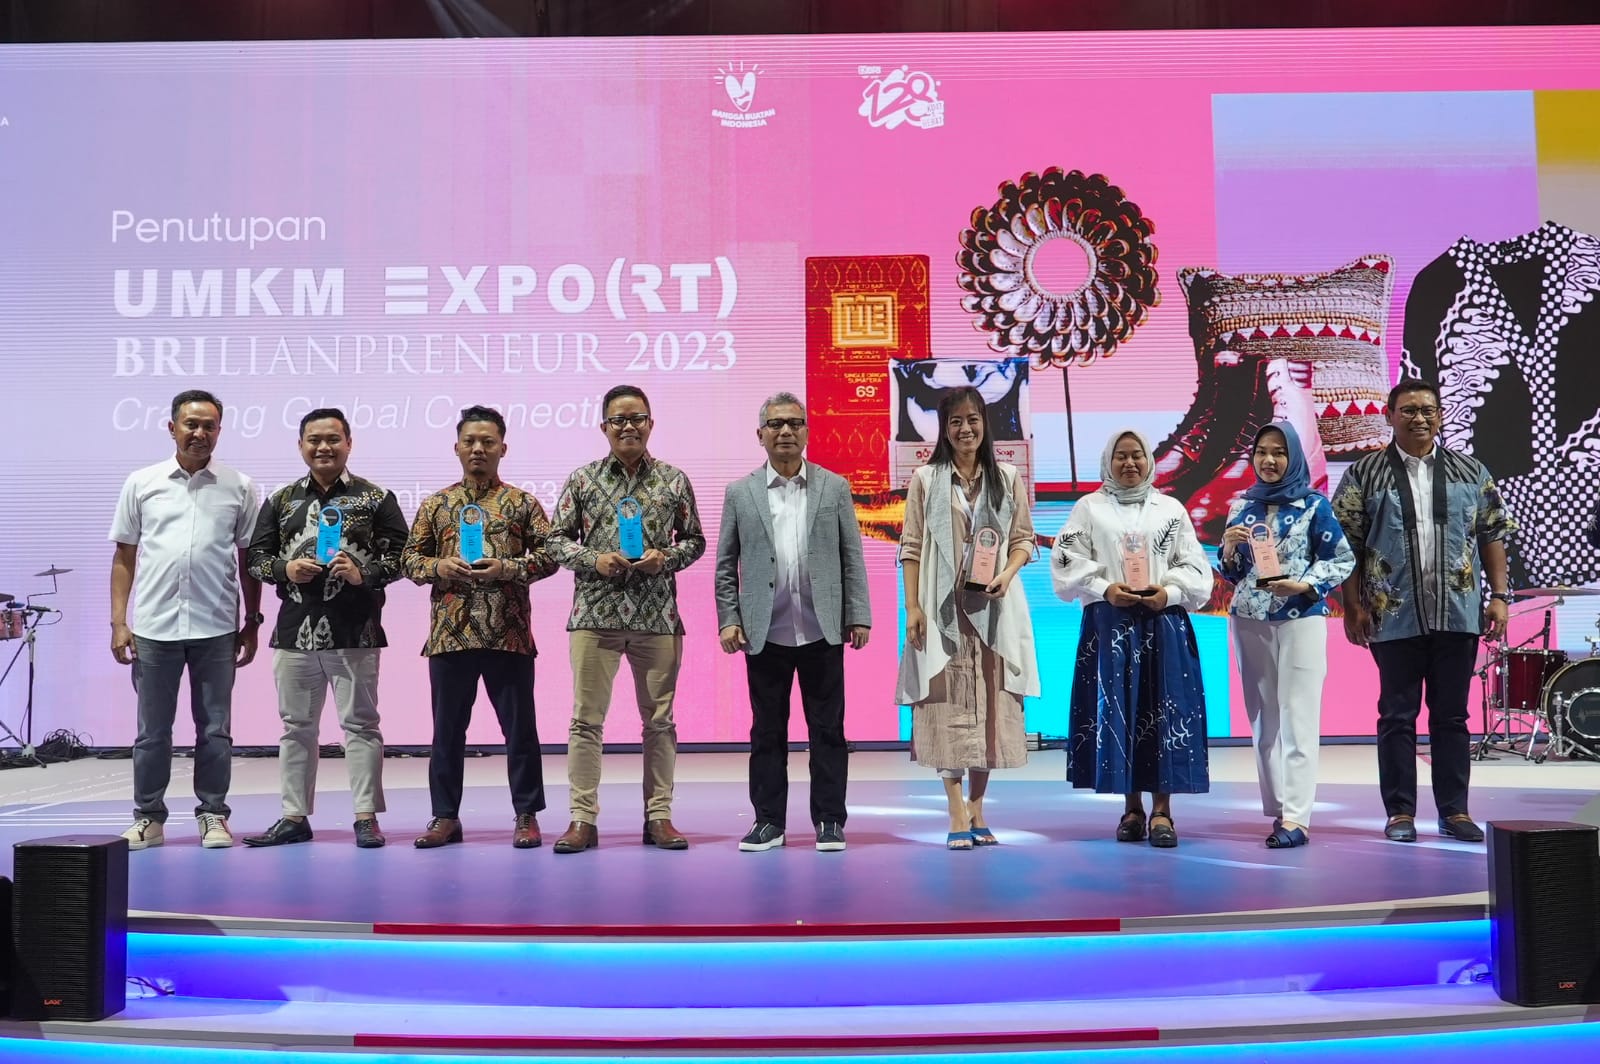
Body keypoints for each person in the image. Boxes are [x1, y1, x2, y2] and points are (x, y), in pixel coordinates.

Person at [1332, 379, 1517, 844]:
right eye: (1409, 410)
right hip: (1391, 614)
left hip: (1458, 613)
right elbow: (1346, 544)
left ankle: (1455, 812)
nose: (1419, 418)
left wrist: (1498, 596)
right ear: (1390, 415)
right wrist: (1351, 606)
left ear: (1440, 416)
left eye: (1428, 410)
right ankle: (1400, 813)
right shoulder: (1364, 473)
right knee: (1397, 716)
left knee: (1452, 717)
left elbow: (1492, 534)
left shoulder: (1470, 471)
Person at [547, 384, 706, 853]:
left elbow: (694, 540)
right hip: (594, 616)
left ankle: (659, 817)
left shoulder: (674, 479)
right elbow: (555, 541)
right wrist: (594, 560)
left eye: (637, 418)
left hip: (657, 618)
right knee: (585, 722)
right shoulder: (582, 479)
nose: (628, 426)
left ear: (651, 423)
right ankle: (582, 820)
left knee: (660, 723)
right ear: (604, 427)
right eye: (618, 419)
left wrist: (665, 557)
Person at [241, 408, 410, 849]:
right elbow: (256, 559)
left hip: (356, 630)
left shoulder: (376, 498)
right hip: (293, 632)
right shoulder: (281, 501)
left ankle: (366, 818)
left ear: (349, 443)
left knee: (361, 725)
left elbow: (404, 558)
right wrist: (285, 568)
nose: (323, 447)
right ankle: (293, 816)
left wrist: (363, 573)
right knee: (295, 727)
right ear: (300, 445)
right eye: (314, 439)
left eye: (333, 439)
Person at [714, 392, 872, 853]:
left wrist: (858, 614)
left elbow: (851, 556)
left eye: (795, 423)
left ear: (806, 431)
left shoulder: (834, 487)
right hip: (764, 631)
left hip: (822, 628)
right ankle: (769, 822)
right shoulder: (740, 492)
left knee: (828, 731)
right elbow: (725, 565)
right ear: (760, 434)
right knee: (767, 732)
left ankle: (830, 820)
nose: (785, 431)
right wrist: (729, 619)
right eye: (776, 424)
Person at [110, 389, 263, 850]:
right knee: (152, 733)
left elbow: (249, 561)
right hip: (154, 628)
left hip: (216, 628)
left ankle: (213, 814)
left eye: (208, 426)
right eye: (190, 424)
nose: (199, 433)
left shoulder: (239, 486)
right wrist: (119, 622)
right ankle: (148, 818)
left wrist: (252, 620)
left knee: (215, 730)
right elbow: (124, 556)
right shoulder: (142, 482)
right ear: (172, 427)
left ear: (219, 430)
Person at [401, 405, 558, 849]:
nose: (478, 449)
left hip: (509, 634)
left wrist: (507, 567)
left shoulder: (523, 504)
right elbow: (409, 560)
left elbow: (551, 556)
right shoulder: (437, 504)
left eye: (487, 442)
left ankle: (526, 815)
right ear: (456, 447)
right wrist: (438, 566)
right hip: (450, 636)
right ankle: (444, 817)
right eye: (470, 441)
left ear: (503, 449)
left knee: (520, 731)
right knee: (447, 734)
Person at [1051, 428, 1212, 848]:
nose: (1129, 463)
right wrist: (1104, 588)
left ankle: (1162, 812)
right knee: (1121, 713)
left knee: (1165, 714)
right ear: (1108, 462)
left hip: (1163, 623)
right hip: (1110, 625)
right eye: (1120, 456)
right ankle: (1132, 809)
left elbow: (1195, 566)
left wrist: (1169, 593)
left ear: (1149, 459)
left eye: (1136, 455)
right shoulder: (1089, 508)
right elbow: (1065, 558)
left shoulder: (1170, 509)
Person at [895, 386, 1039, 850]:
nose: (965, 429)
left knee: (990, 707)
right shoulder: (926, 480)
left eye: (972, 419)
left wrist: (1007, 574)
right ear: (944, 429)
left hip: (995, 609)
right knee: (946, 705)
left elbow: (1024, 540)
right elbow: (911, 547)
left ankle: (977, 806)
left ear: (984, 423)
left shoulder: (1007, 477)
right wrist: (913, 607)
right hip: (943, 610)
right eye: (955, 421)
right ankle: (955, 807)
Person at [1218, 422, 1354, 849]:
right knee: (1263, 720)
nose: (1269, 460)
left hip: (1301, 617)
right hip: (1249, 619)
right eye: (1262, 451)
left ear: (1293, 456)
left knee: (1299, 717)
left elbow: (1341, 558)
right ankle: (1279, 807)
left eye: (1279, 452)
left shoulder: (1314, 505)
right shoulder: (1241, 506)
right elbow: (1233, 573)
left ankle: (1297, 818)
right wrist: (1228, 549)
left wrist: (1305, 584)